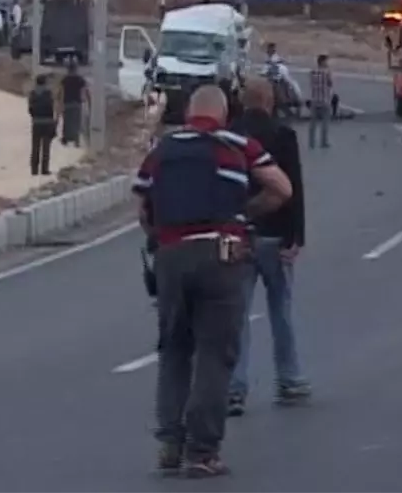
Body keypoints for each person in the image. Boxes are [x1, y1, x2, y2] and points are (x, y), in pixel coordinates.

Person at [134, 85, 292, 477]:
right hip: (221, 254)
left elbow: (141, 209)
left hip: (169, 257)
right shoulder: (236, 144)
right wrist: (244, 212)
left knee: (173, 349)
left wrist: (163, 232)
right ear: (223, 114)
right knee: (214, 352)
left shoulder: (161, 151)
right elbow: (282, 188)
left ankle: (170, 444)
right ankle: (202, 452)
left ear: (188, 112)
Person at [227, 79, 309, 416]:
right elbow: (293, 189)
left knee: (237, 316)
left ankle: (235, 388)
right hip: (276, 236)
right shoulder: (282, 135)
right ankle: (288, 380)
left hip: (239, 237)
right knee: (281, 311)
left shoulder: (228, 136)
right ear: (269, 101)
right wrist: (296, 237)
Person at [27, 74, 57, 176]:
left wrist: (34, 116)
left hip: (36, 122)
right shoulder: (48, 93)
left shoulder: (33, 93)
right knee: (46, 148)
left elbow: (30, 109)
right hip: (47, 122)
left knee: (35, 147)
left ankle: (34, 170)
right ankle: (44, 170)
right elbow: (52, 108)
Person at [59, 61, 88, 147]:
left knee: (67, 121)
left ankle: (65, 139)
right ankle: (76, 140)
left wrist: (60, 103)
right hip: (77, 103)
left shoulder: (64, 79)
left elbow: (62, 92)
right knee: (76, 122)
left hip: (67, 102)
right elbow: (84, 91)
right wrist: (85, 100)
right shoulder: (80, 79)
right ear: (76, 69)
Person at [308, 54, 333, 149]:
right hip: (324, 100)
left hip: (314, 99)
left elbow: (311, 84)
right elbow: (330, 84)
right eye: (326, 61)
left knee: (312, 124)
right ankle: (324, 142)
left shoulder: (312, 72)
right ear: (322, 62)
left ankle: (311, 142)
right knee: (325, 123)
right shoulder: (327, 73)